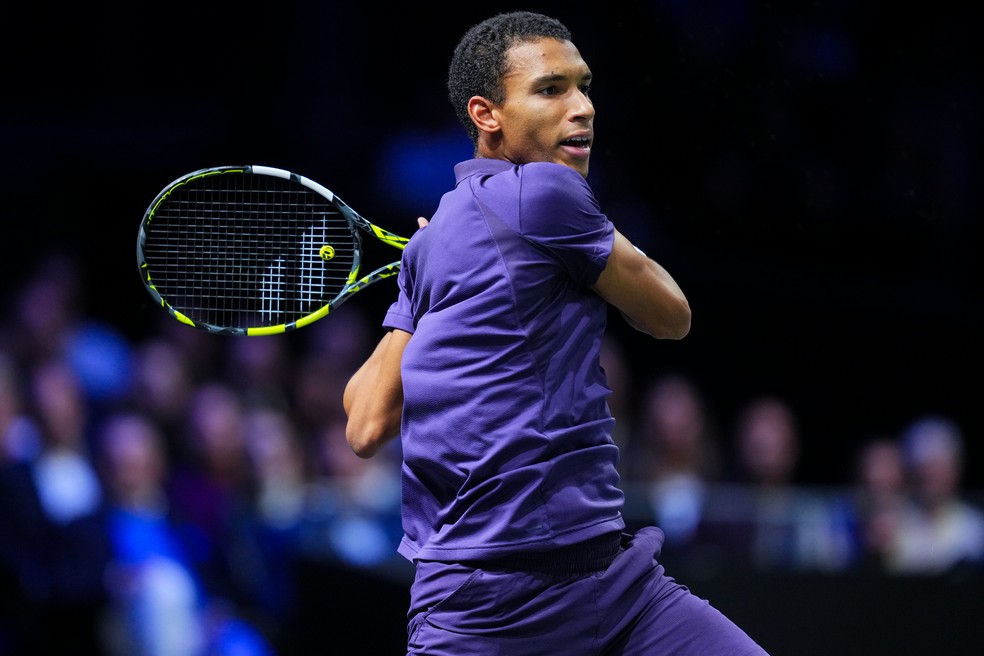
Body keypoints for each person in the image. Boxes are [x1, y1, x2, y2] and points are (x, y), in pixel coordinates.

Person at [343, 11, 768, 655]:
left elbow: (363, 425)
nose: (584, 107)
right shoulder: (546, 194)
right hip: (492, 610)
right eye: (551, 89)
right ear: (487, 114)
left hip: (610, 581)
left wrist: (417, 280)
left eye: (585, 85)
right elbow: (670, 314)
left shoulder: (439, 240)